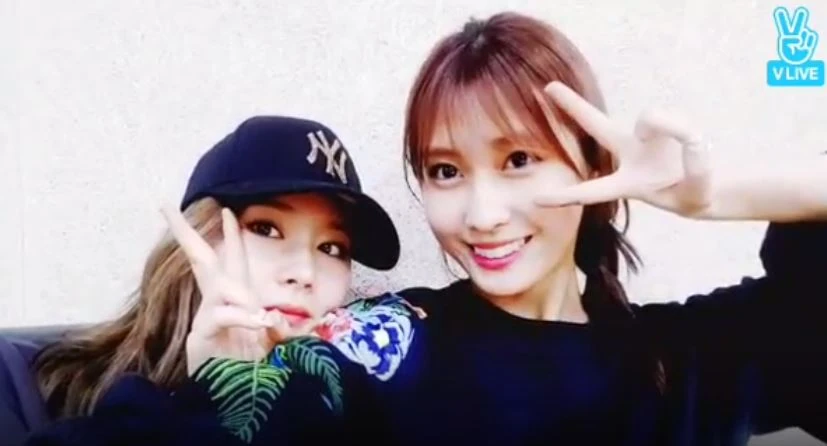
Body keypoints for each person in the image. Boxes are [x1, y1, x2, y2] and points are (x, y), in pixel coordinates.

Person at [25, 11, 827, 446]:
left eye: (518, 160)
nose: (481, 214)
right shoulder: (388, 344)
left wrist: (716, 197)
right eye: (445, 171)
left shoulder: (679, 362)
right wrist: (222, 391)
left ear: (591, 163)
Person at [0, 114, 400, 444]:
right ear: (195, 238)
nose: (305, 273)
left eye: (332, 248)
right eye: (266, 229)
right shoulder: (30, 385)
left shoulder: (347, 409)